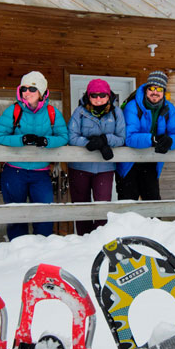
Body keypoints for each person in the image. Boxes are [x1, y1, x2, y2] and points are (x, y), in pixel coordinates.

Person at [0, 71, 68, 240]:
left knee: (43, 216)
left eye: (32, 89)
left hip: (41, 173)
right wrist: (22, 139)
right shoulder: (13, 111)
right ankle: (18, 250)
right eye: (24, 88)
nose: (27, 93)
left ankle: (42, 251)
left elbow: (63, 137)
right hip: (14, 172)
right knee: (16, 217)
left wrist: (47, 141)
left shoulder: (52, 112)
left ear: (41, 92)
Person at [67, 78, 126, 235]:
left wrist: (105, 140)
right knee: (81, 208)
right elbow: (72, 137)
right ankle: (83, 239)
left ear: (108, 96)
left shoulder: (116, 112)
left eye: (102, 95)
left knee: (102, 207)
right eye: (94, 95)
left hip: (104, 167)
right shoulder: (79, 112)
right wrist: (89, 142)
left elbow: (121, 138)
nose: (98, 99)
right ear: (88, 95)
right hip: (79, 167)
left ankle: (99, 240)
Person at [117, 70, 175, 201]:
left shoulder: (169, 109)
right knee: (127, 208)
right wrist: (152, 139)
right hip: (129, 163)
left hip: (151, 162)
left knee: (153, 205)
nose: (155, 92)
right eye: (152, 88)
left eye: (159, 89)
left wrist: (170, 141)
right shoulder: (132, 106)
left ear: (164, 92)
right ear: (146, 89)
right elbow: (129, 137)